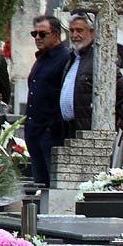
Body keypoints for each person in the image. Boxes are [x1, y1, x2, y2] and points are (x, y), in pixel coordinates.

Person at [59, 13, 123, 138]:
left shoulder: (100, 59)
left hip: (90, 132)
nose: (74, 35)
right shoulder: (72, 59)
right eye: (71, 31)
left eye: (79, 30)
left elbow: (120, 94)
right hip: (69, 130)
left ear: (92, 32)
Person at [23, 15, 69, 186]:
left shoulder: (65, 58)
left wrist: (52, 126)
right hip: (35, 130)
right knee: (41, 183)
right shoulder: (41, 59)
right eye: (34, 34)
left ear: (55, 35)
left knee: (53, 184)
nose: (37, 38)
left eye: (42, 34)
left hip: (51, 132)